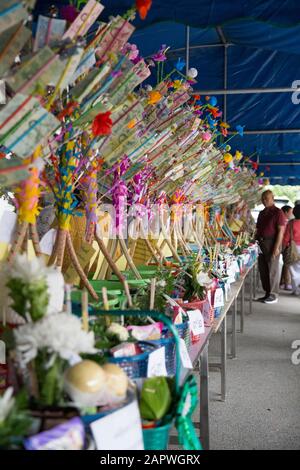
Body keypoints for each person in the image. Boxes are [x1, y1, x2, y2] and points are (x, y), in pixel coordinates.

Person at [256, 190, 286, 304]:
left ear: (272, 198)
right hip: (261, 243)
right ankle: (267, 293)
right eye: (263, 198)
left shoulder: (278, 212)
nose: (264, 200)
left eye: (267, 198)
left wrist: (276, 247)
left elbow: (281, 232)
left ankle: (273, 294)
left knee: (272, 270)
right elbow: (258, 229)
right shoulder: (262, 213)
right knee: (263, 270)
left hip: (272, 243)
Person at [282, 204, 300, 295]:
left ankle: (296, 290)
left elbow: (286, 237)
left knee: (293, 269)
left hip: (293, 248)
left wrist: (283, 247)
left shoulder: (291, 223)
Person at [280, 205, 293, 290]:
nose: (291, 214)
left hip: (286, 245)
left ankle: (283, 282)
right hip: (288, 246)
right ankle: (287, 283)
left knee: (286, 264)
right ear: (285, 212)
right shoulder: (285, 222)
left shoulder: (288, 222)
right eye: (290, 212)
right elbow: (285, 236)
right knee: (287, 265)